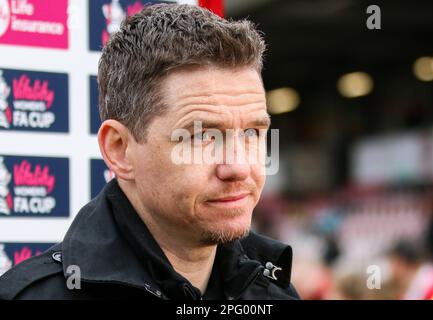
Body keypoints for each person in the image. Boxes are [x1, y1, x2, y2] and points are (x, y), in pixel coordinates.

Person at [0, 3, 299, 300]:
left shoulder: (276, 291)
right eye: (204, 136)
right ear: (119, 150)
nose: (239, 167)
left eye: (251, 133)